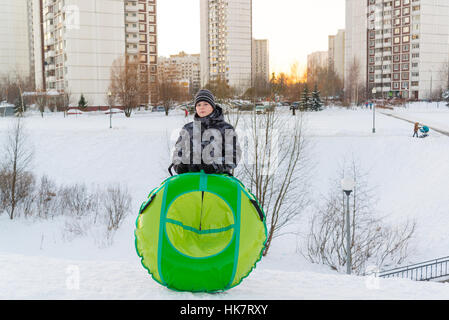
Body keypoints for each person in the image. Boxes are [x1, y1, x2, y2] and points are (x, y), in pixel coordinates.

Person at [171, 89, 241, 175]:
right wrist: (179, 166)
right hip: (191, 181)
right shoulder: (188, 129)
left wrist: (215, 166)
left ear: (212, 106)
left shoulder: (226, 128)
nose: (202, 107)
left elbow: (234, 156)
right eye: (198, 105)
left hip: (218, 181)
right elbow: (177, 154)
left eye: (206, 104)